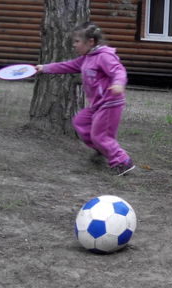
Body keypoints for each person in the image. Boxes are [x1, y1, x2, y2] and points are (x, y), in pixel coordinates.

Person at [35, 22, 135, 176]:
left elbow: (118, 71)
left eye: (77, 41)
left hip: (110, 102)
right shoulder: (87, 58)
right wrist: (45, 68)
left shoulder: (104, 56)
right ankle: (102, 149)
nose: (74, 45)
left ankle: (122, 161)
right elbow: (67, 66)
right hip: (97, 104)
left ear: (91, 42)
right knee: (80, 122)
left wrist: (118, 84)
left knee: (101, 135)